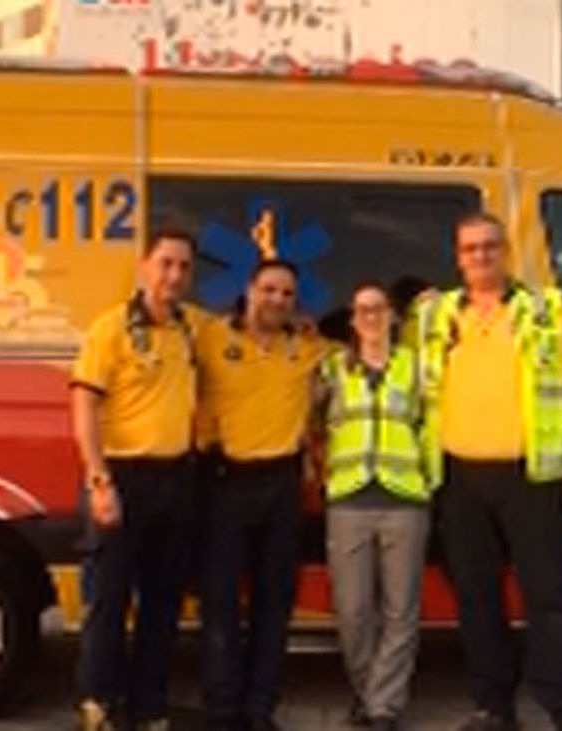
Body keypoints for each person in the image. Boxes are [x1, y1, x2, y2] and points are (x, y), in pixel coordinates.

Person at [405, 212, 562, 731]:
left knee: (550, 597)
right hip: (460, 479)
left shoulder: (545, 310)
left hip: (531, 479)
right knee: (476, 599)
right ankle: (494, 708)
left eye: (489, 246)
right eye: (470, 248)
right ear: (457, 257)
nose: (480, 256)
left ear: (506, 250)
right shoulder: (436, 315)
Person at [71, 228, 200, 731]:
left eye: (184, 266)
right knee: (109, 600)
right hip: (122, 479)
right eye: (166, 263)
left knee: (162, 605)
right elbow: (84, 404)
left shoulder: (192, 329)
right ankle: (98, 705)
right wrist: (99, 481)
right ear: (145, 266)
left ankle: (149, 708)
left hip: (176, 481)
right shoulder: (111, 328)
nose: (174, 275)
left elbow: (253, 324)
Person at [195, 259, 328, 731]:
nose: (277, 300)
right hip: (225, 483)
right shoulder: (210, 336)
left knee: (274, 604)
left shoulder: (307, 346)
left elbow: (365, 343)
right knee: (221, 602)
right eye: (269, 290)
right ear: (249, 290)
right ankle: (223, 710)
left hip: (281, 486)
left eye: (287, 294)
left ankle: (260, 709)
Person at [318, 282, 429, 731]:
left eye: (378, 309)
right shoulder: (331, 369)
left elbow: (431, 425)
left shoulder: (416, 367)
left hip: (405, 499)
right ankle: (369, 694)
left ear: (393, 316)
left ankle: (383, 707)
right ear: (351, 319)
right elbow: (307, 421)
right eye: (362, 309)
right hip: (348, 499)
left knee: (401, 611)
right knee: (353, 611)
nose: (370, 317)